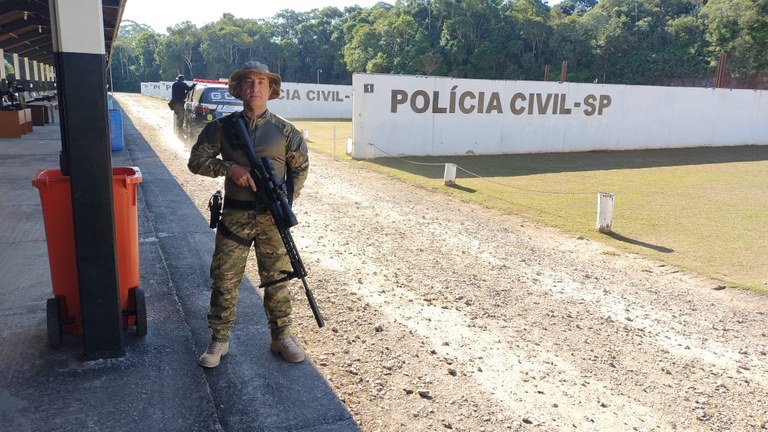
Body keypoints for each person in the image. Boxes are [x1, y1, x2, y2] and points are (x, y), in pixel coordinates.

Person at [187, 61, 309, 368]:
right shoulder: (222, 128)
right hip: (234, 218)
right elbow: (196, 161)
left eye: (261, 82)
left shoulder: (286, 132)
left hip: (272, 219)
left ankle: (281, 337)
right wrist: (230, 169)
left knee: (278, 279)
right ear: (239, 88)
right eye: (248, 82)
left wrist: (283, 202)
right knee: (225, 280)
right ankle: (219, 340)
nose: (254, 88)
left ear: (270, 89)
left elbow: (300, 170)